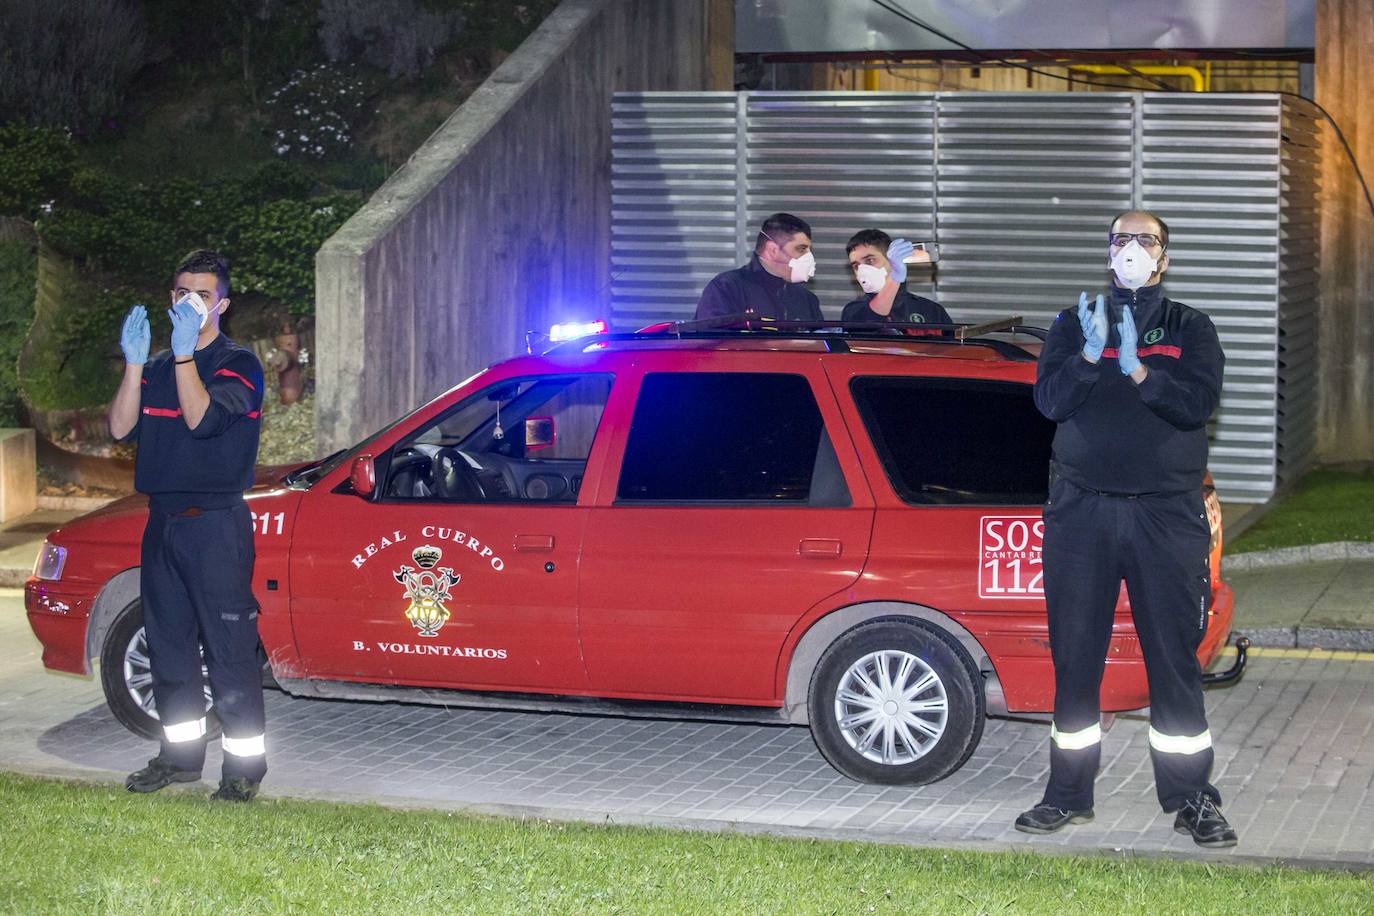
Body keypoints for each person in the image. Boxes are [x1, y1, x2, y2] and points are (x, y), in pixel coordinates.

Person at [1018, 211, 1236, 847]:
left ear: (1164, 256)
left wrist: (1141, 369)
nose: (1132, 250)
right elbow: (1050, 402)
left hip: (1165, 514)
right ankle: (1067, 796)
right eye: (1121, 239)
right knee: (1075, 657)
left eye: (1146, 240)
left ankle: (1192, 799)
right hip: (1081, 511)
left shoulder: (1191, 327)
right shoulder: (1074, 322)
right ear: (1107, 251)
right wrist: (1090, 355)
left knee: (1174, 661)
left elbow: (1196, 404)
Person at [108, 249, 268, 802]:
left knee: (229, 650)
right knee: (169, 648)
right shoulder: (155, 366)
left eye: (201, 295)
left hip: (216, 526)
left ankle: (243, 771)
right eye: (180, 293)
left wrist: (182, 359)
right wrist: (134, 364)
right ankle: (178, 759)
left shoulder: (238, 365)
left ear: (221, 302)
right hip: (164, 522)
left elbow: (201, 421)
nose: (188, 302)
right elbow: (120, 426)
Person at [694, 212, 823, 321]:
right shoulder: (726, 289)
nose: (808, 257)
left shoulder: (806, 300)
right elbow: (710, 343)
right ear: (773, 250)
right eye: (801, 249)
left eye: (809, 250)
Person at [841, 229, 951, 326]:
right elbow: (872, 319)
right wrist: (895, 277)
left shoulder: (932, 311)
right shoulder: (853, 311)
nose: (862, 270)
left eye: (870, 260)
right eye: (856, 266)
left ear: (891, 261)